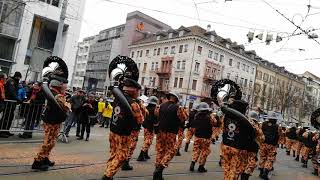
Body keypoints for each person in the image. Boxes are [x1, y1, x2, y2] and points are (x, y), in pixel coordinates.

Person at [102, 78, 144, 180]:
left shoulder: (118, 98)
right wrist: (141, 106)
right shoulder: (133, 103)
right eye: (138, 91)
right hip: (124, 134)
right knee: (122, 156)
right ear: (133, 90)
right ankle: (107, 176)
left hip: (114, 130)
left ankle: (109, 173)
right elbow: (140, 120)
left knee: (113, 154)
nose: (139, 93)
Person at [32, 79, 70, 170]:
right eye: (64, 85)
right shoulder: (55, 94)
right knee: (48, 142)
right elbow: (65, 107)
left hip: (55, 120)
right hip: (51, 121)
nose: (65, 87)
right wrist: (67, 104)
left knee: (51, 142)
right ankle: (37, 161)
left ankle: (45, 158)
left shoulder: (56, 93)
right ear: (59, 85)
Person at [153, 92, 188, 180]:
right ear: (176, 99)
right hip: (171, 132)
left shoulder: (161, 105)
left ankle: (157, 172)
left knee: (160, 150)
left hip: (160, 131)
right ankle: (160, 168)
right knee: (171, 151)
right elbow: (184, 118)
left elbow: (156, 114)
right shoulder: (178, 108)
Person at [220, 100, 255, 180]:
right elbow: (256, 134)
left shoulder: (226, 117)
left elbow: (222, 127)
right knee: (234, 171)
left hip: (226, 145)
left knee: (227, 169)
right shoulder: (246, 120)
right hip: (238, 148)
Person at [121, 94, 147, 170]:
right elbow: (141, 118)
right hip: (134, 128)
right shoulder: (136, 105)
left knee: (124, 145)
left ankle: (122, 160)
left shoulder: (126, 102)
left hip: (125, 128)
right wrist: (141, 105)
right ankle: (125, 163)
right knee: (131, 146)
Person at [189, 102, 216, 173]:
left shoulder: (196, 116)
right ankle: (201, 167)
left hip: (198, 136)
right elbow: (215, 123)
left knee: (196, 150)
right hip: (206, 137)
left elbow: (194, 125)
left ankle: (192, 163)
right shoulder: (210, 117)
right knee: (205, 152)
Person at [240, 111, 265, 180]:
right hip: (252, 149)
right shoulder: (257, 126)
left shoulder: (243, 122)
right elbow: (262, 138)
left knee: (242, 164)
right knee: (250, 165)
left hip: (242, 148)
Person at [258, 111, 280, 179]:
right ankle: (266, 172)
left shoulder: (263, 124)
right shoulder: (277, 126)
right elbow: (279, 135)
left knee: (262, 157)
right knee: (270, 159)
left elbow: (260, 133)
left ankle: (261, 172)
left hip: (263, 144)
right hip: (272, 145)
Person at [137, 96, 159, 161]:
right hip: (150, 127)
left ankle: (145, 154)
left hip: (146, 126)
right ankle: (141, 155)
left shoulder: (146, 108)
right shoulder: (155, 109)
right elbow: (156, 119)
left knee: (146, 140)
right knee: (148, 141)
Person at [0, 71, 21, 137]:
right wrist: (18, 99)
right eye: (18, 77)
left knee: (10, 117)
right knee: (6, 117)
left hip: (12, 102)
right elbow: (12, 91)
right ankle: (2, 131)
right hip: (9, 102)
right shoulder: (11, 81)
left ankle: (6, 130)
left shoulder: (15, 82)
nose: (18, 78)